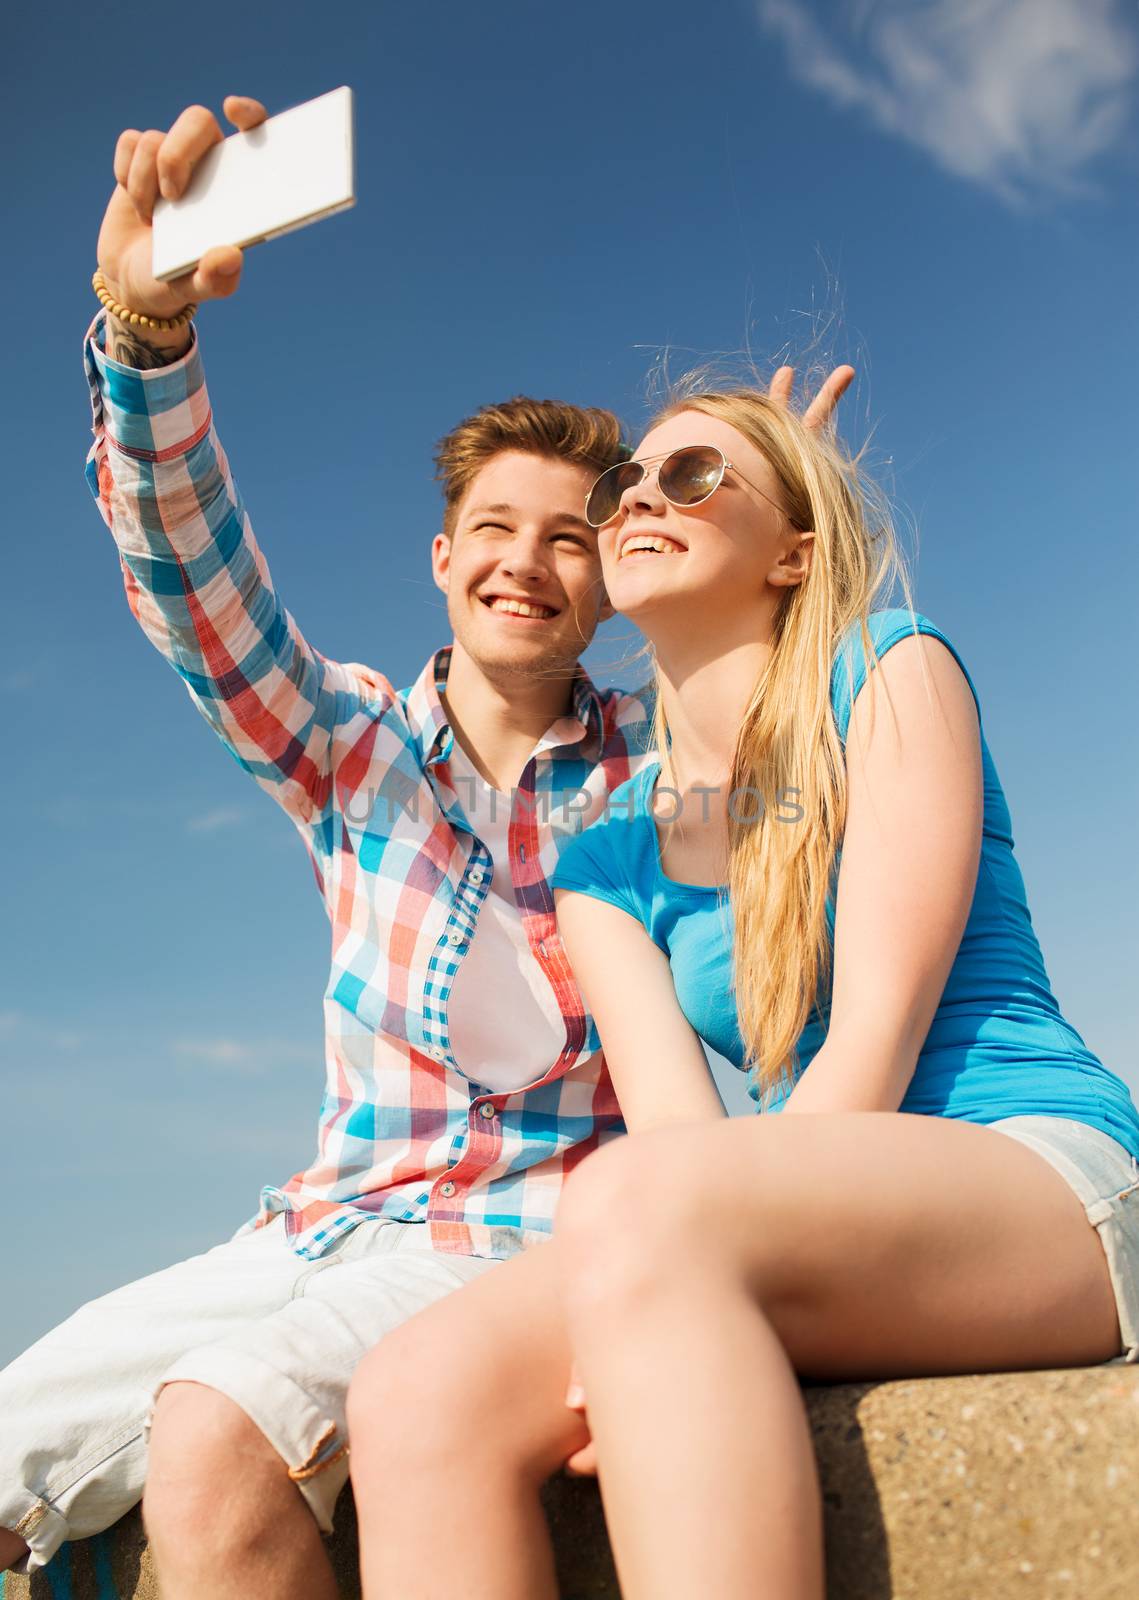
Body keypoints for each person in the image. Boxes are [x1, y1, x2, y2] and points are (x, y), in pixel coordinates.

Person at [0, 92, 851, 1594]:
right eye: (498, 528)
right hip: (316, 1224)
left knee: (216, 1431)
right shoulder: (345, 743)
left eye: (574, 535)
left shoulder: (660, 775)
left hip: (523, 1245)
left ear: (606, 579)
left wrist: (776, 555)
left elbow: (798, 807)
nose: (529, 560)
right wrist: (144, 335)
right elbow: (193, 583)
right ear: (443, 557)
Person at [345, 383, 1139, 1599]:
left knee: (638, 1207)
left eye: (695, 477)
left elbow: (873, 1041)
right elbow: (676, 1135)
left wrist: (640, 1316)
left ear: (792, 555)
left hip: (1038, 1179)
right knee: (415, 1391)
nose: (641, 500)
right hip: (784, 1219)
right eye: (626, 486)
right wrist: (638, 1323)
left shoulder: (891, 671)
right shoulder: (605, 857)